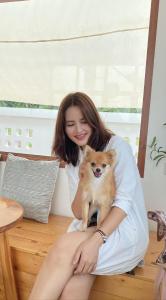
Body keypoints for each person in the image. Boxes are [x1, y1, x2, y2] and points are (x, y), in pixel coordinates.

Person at [29, 92, 149, 300]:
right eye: (70, 124)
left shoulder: (117, 147)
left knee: (63, 248)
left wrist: (95, 242)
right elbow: (78, 213)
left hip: (122, 230)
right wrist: (85, 172)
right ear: (63, 128)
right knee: (71, 287)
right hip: (89, 226)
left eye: (84, 122)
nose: (78, 130)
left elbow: (124, 204)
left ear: (93, 121)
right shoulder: (74, 156)